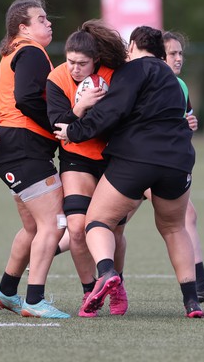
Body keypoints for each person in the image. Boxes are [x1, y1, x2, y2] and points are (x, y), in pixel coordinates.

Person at [54, 26, 204, 318]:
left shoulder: (133, 70)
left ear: (134, 44)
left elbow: (112, 112)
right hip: (178, 161)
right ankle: (192, 302)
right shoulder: (173, 81)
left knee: (97, 221)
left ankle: (107, 272)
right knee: (175, 228)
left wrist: (75, 130)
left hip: (137, 159)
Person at [0, 0, 70, 319]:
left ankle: (7, 291)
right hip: (23, 146)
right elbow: (25, 99)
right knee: (53, 224)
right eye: (41, 19)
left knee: (35, 228)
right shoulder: (31, 51)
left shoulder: (16, 52)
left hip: (12, 147)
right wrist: (58, 126)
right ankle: (35, 300)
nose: (48, 23)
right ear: (23, 27)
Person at [46, 19, 130, 317]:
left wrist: (101, 107)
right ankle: (90, 290)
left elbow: (122, 119)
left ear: (96, 60)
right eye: (70, 61)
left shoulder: (114, 74)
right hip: (76, 157)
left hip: (113, 158)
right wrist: (81, 106)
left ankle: (116, 285)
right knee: (77, 229)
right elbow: (57, 124)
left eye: (82, 63)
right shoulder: (57, 78)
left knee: (112, 230)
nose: (75, 69)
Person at [162, 31, 204, 303]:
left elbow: (184, 121)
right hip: (144, 163)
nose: (178, 58)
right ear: (159, 56)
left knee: (105, 225)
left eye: (181, 53)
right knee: (186, 216)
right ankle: (201, 285)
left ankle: (201, 284)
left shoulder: (180, 85)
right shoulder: (152, 84)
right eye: (172, 53)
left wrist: (189, 124)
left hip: (161, 163)